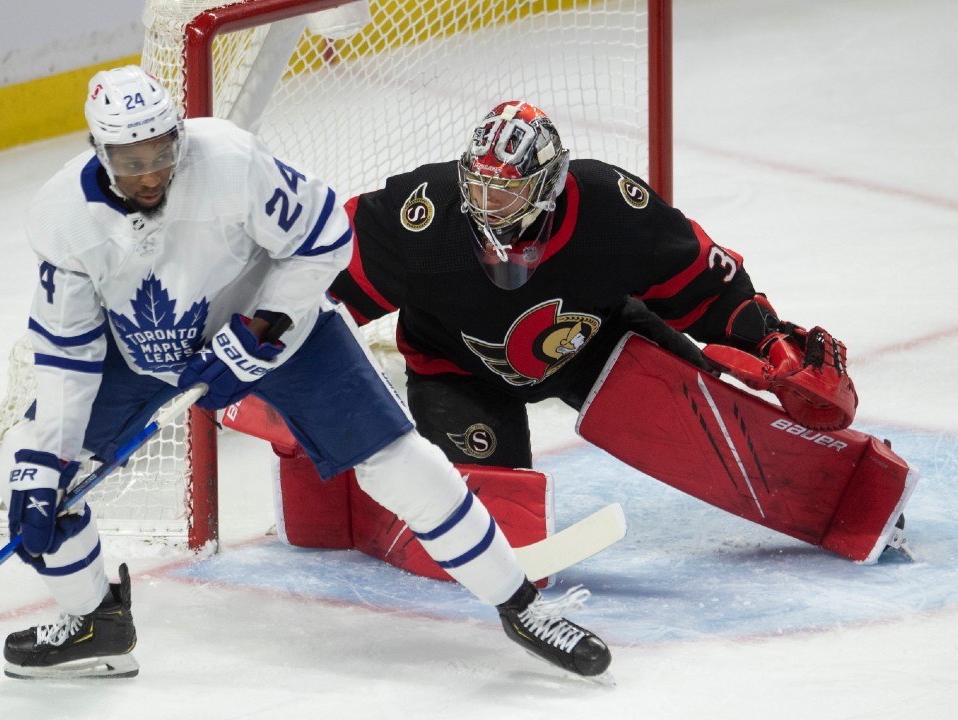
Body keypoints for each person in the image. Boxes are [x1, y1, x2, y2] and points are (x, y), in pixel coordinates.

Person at [0, 67, 612, 681]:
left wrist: (263, 328)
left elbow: (324, 238)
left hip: (277, 328)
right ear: (98, 152)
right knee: (22, 467)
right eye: (130, 161)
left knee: (402, 462)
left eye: (161, 152)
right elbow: (68, 353)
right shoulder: (62, 218)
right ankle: (94, 617)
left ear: (179, 136)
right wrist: (47, 464)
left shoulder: (230, 161)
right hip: (139, 350)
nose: (150, 174)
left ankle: (521, 605)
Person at [322, 100, 912, 562]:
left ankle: (835, 488)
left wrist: (773, 344)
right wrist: (281, 348)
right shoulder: (423, 214)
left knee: (721, 417)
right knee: (498, 517)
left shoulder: (610, 208)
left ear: (550, 184)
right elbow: (322, 277)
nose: (487, 203)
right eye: (478, 185)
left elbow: (706, 281)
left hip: (599, 347)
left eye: (506, 189)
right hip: (456, 370)